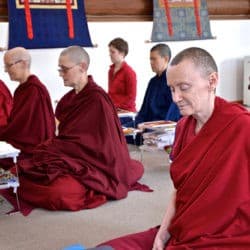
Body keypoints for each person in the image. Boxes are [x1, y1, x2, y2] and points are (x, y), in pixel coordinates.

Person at [94, 47, 250, 249]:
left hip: (226, 235)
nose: (175, 98)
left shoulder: (242, 126)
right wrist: (162, 233)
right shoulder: (183, 127)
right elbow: (180, 191)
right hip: (183, 226)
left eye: (184, 87)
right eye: (171, 89)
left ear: (212, 81)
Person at [17, 46, 149, 211]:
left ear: (83, 67)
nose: (60, 74)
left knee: (59, 193)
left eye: (64, 69)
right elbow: (67, 136)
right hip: (70, 158)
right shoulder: (68, 99)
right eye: (60, 69)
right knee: (25, 169)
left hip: (93, 163)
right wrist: (56, 147)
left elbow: (103, 145)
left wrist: (58, 148)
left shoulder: (97, 100)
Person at [0, 47, 55, 168]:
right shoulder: (21, 89)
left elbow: (22, 130)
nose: (6, 70)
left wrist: (3, 133)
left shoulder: (34, 90)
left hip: (31, 151)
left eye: (8, 65)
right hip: (21, 143)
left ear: (23, 63)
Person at [108, 37, 137, 113]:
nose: (110, 55)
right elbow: (111, 94)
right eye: (110, 52)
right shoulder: (111, 70)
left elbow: (131, 98)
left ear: (122, 53)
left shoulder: (129, 72)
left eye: (113, 52)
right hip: (114, 109)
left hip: (126, 111)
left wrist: (115, 106)